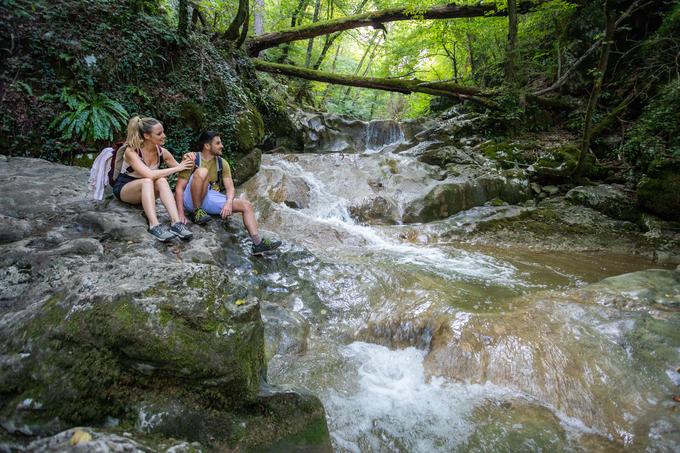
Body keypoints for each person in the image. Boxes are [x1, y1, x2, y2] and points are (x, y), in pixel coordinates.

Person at [175, 130, 281, 255]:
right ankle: (197, 212)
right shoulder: (192, 158)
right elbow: (179, 188)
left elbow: (230, 188)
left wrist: (228, 203)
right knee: (202, 172)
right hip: (191, 199)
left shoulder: (222, 163)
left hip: (208, 196)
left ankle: (258, 244)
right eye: (218, 143)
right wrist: (180, 215)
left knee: (246, 205)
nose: (222, 146)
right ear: (207, 146)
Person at [113, 116, 194, 242]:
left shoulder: (162, 152)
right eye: (159, 133)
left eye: (163, 132)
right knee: (148, 180)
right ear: (146, 136)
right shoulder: (131, 151)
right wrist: (178, 168)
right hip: (125, 188)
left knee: (161, 180)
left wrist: (188, 159)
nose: (164, 136)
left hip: (147, 190)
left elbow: (183, 169)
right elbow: (149, 174)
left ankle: (176, 223)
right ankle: (154, 225)